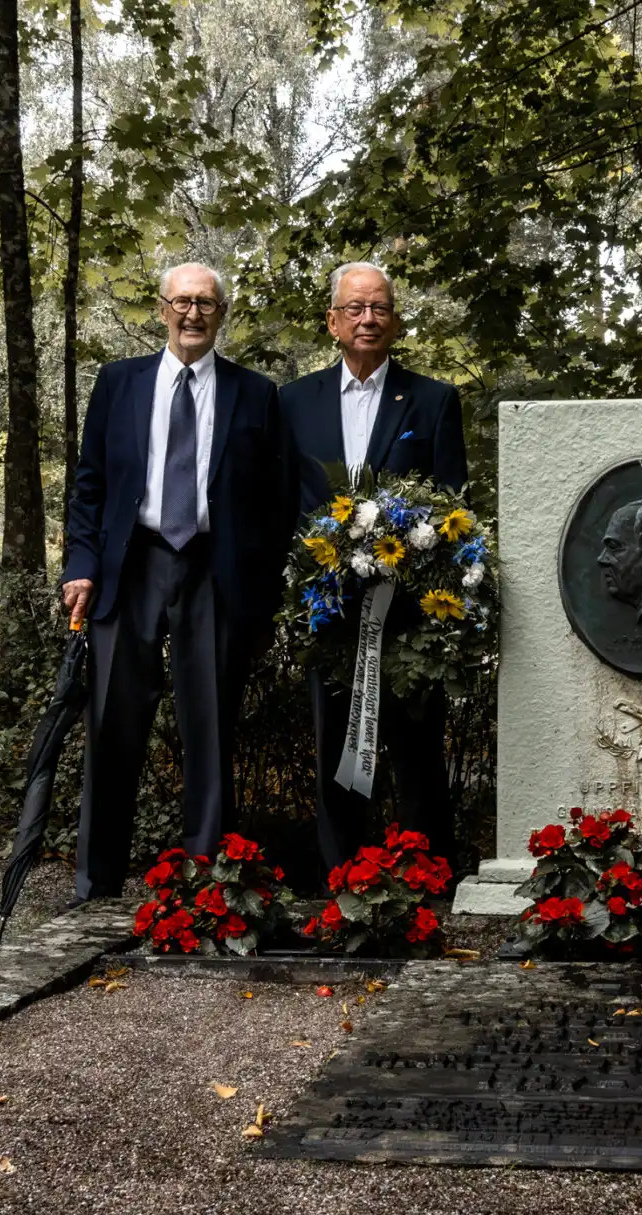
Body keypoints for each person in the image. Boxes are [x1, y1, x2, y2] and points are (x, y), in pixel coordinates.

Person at [61, 262, 293, 901]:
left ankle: (206, 882)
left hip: (213, 570)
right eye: (182, 303)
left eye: (206, 304)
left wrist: (263, 591)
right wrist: (79, 565)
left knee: (209, 724)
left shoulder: (255, 394)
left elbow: (275, 505)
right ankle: (97, 879)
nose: (193, 315)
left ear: (222, 314)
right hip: (130, 565)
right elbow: (89, 485)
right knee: (113, 721)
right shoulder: (119, 383)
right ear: (162, 309)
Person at [281, 261, 467, 878]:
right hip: (327, 610)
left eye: (380, 308)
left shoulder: (435, 400)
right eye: (355, 308)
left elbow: (451, 507)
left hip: (410, 613)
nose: (368, 318)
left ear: (395, 320)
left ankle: (426, 881)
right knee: (335, 746)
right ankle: (343, 880)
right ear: (333, 322)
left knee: (415, 750)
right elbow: (282, 505)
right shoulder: (292, 403)